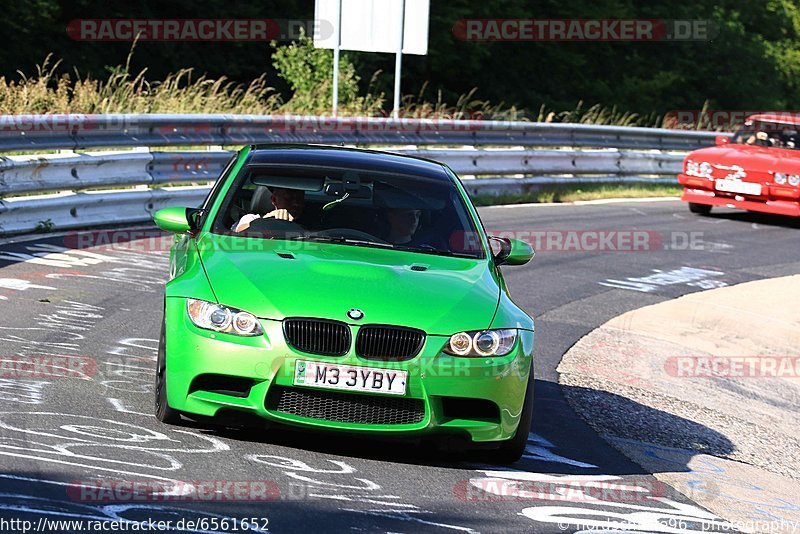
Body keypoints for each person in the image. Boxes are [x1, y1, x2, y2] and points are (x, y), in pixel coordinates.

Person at [233, 187, 308, 233]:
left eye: (299, 199)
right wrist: (265, 221)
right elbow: (241, 233)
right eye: (289, 199)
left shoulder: (311, 224)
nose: (296, 204)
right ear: (274, 200)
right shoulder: (251, 218)